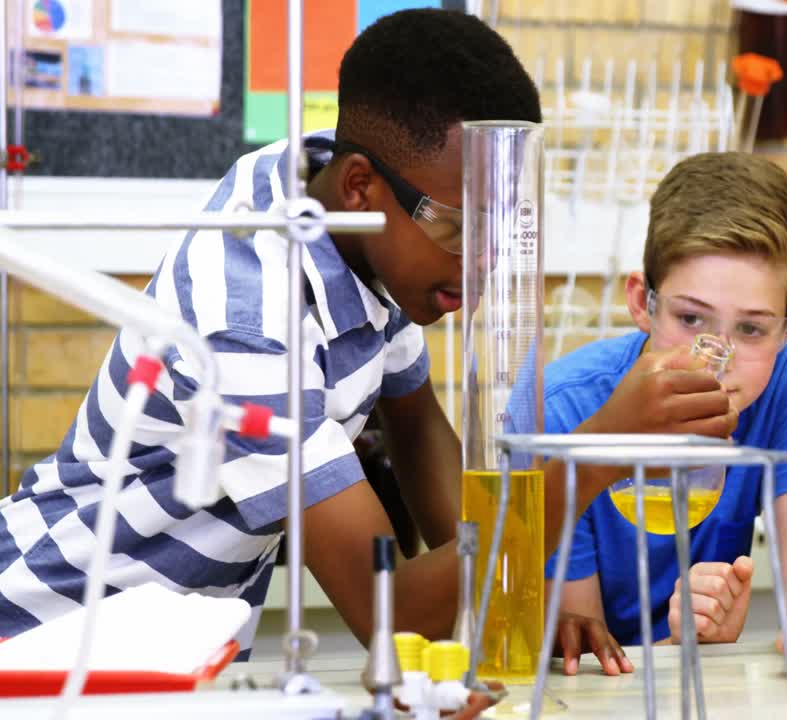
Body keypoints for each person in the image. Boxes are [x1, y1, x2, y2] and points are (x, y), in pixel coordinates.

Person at [0, 9, 652, 680]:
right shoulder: (245, 329)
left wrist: (509, 589)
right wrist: (590, 464)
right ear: (361, 187)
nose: (483, 264)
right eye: (460, 228)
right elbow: (390, 615)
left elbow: (417, 427)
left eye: (500, 231)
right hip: (44, 644)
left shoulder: (336, 199)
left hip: (162, 656)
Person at [540, 152, 787, 678]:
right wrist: (680, 644)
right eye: (691, 318)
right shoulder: (564, 407)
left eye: (752, 329)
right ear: (642, 302)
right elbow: (580, 658)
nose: (716, 358)